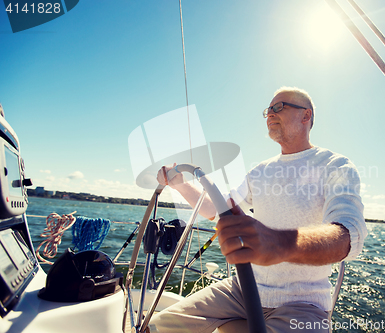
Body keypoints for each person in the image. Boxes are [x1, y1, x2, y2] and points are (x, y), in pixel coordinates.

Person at [149, 87, 367, 332]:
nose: (270, 115)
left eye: (279, 107)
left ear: (306, 116)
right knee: (161, 326)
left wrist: (281, 243)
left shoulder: (334, 165)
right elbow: (216, 209)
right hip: (244, 288)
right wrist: (180, 184)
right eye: (268, 110)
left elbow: (349, 235)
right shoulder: (260, 171)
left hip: (303, 304)